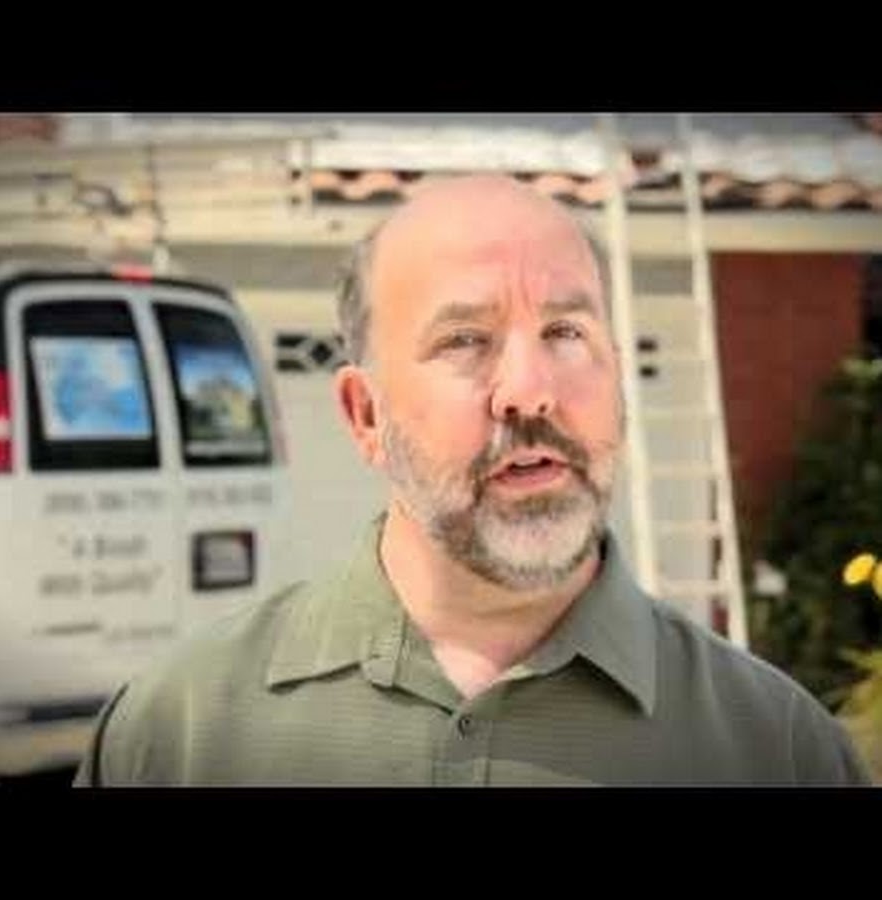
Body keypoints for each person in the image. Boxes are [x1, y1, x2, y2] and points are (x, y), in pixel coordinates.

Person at [74, 174, 871, 786]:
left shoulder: (778, 751)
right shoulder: (178, 735)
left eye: (565, 331)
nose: (529, 390)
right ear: (363, 415)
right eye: (465, 340)